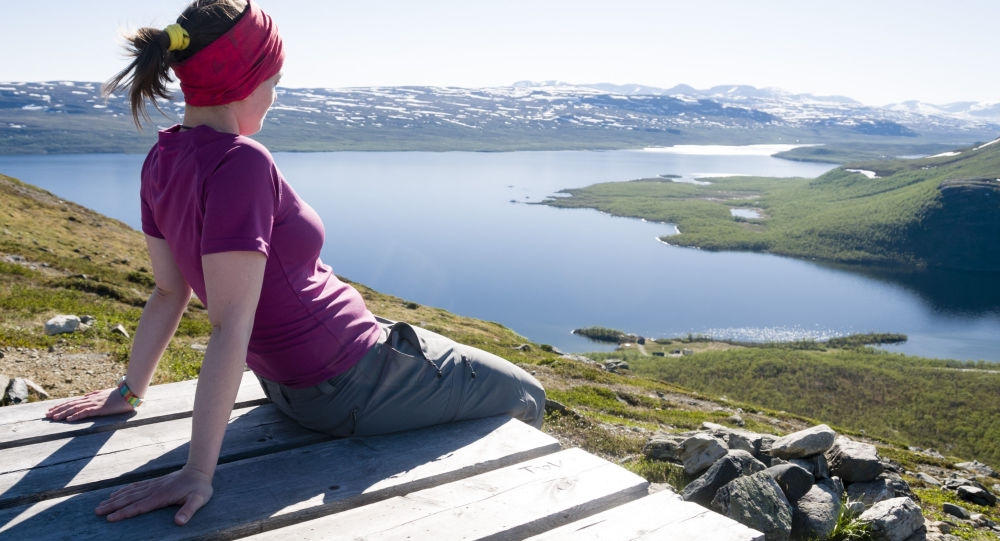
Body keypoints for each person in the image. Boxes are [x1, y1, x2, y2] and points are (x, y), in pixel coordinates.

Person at [45, 0, 545, 527]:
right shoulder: (241, 161)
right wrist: (197, 472)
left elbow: (170, 292)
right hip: (349, 383)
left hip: (304, 380)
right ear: (246, 77)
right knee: (527, 393)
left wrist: (129, 392)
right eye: (274, 80)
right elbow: (228, 328)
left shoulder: (163, 158)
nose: (275, 96)